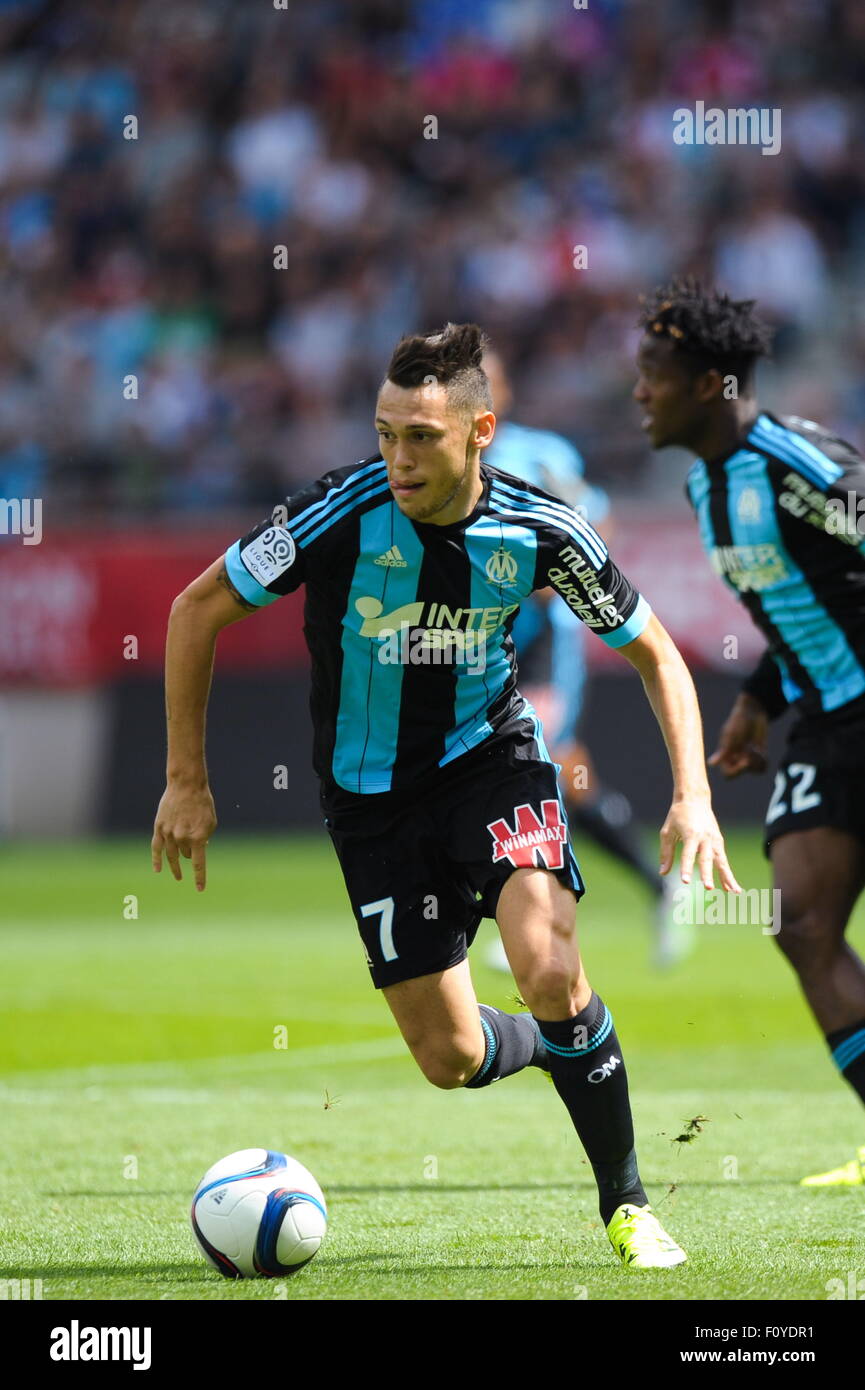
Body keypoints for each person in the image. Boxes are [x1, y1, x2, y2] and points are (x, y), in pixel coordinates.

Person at [153, 321, 738, 1266]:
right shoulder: (334, 514)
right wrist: (187, 779)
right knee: (450, 1059)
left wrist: (693, 797)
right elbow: (196, 609)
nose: (396, 456)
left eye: (419, 436)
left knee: (546, 966)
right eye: (385, 432)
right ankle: (567, 1045)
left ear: (479, 433)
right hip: (370, 801)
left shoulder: (542, 529)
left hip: (492, 763)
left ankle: (626, 1204)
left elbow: (655, 652)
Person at [634, 279, 865, 1187]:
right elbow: (798, 604)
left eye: (652, 374)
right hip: (821, 720)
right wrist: (759, 698)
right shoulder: (704, 488)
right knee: (800, 924)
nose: (638, 392)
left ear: (705, 386)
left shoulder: (800, 468)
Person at [481, 349, 690, 970]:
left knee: (528, 757)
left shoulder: (540, 455)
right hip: (472, 644)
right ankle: (660, 885)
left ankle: (535, 911)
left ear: (507, 391)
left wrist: (551, 573)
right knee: (570, 779)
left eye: (489, 381)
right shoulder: (435, 462)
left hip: (541, 642)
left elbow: (596, 523)